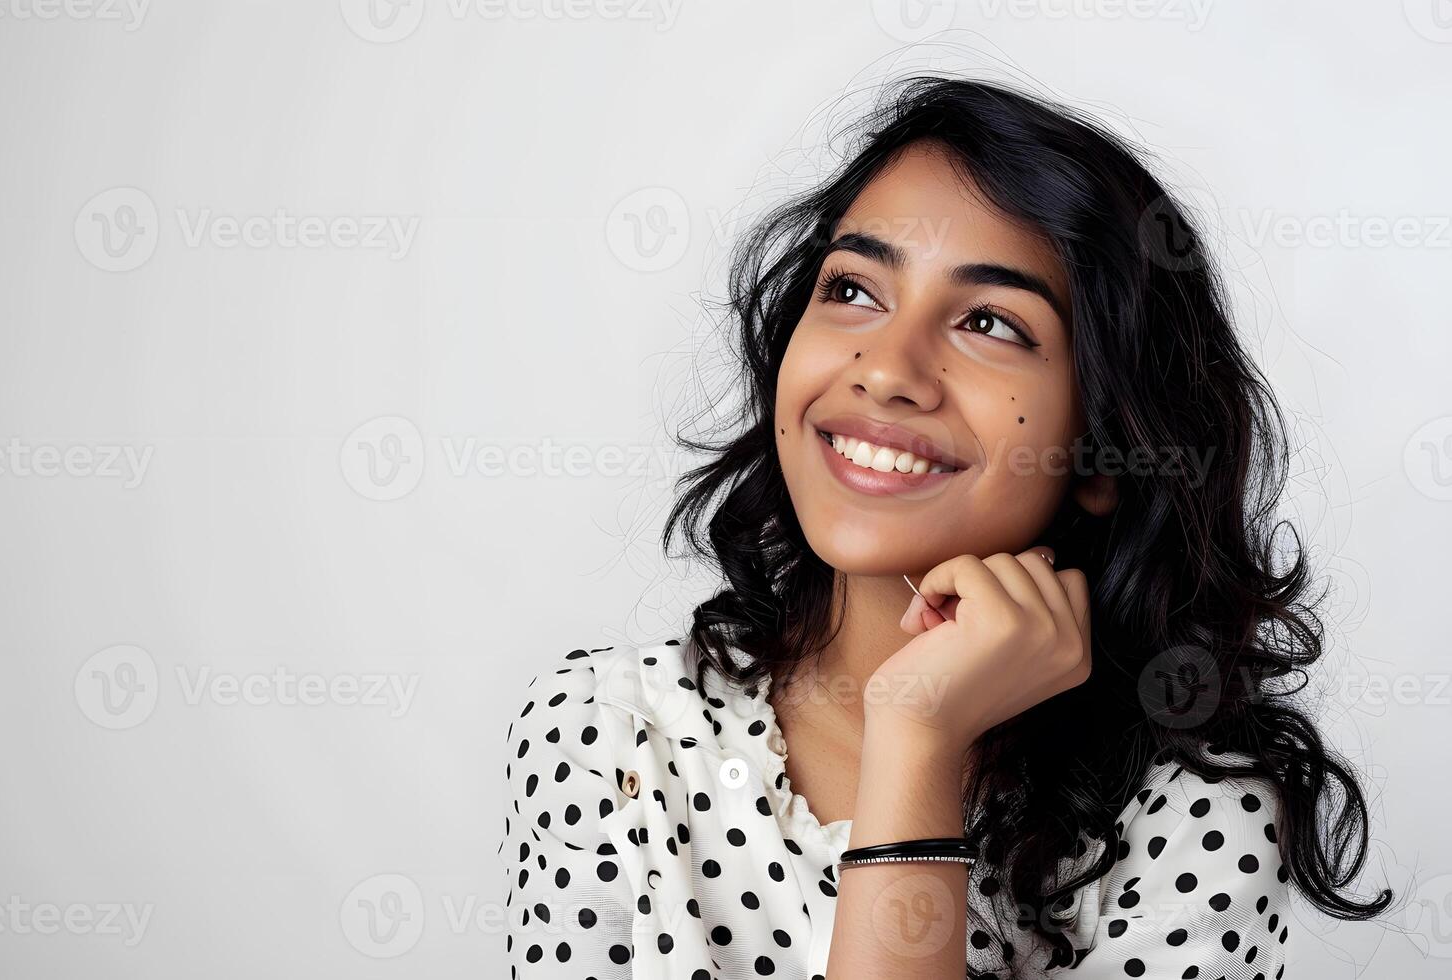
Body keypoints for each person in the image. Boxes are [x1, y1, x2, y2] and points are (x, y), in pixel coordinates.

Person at [497, 75, 1391, 978]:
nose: (887, 369)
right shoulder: (607, 735)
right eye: (853, 290)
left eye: (989, 321)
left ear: (1103, 453)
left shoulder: (1198, 815)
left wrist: (915, 739)